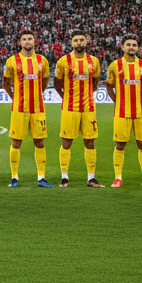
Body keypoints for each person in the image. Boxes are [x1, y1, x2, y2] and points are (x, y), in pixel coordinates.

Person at [105, 34, 142, 188]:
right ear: (122, 47)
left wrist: (140, 98)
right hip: (122, 112)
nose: (131, 47)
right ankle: (118, 178)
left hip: (141, 111)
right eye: (128, 45)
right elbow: (109, 86)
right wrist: (117, 101)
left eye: (134, 45)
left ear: (138, 47)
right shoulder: (115, 65)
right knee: (120, 144)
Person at [54, 30, 103, 188]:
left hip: (88, 108)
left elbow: (95, 82)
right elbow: (57, 83)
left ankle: (91, 178)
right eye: (76, 40)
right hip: (70, 109)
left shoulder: (94, 61)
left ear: (86, 41)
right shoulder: (63, 61)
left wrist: (87, 95)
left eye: (81, 40)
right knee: (66, 142)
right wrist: (66, 97)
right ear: (71, 42)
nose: (79, 43)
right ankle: (64, 178)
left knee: (90, 142)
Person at [3, 30, 53, 188]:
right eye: (24, 39)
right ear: (20, 42)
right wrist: (15, 97)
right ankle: (14, 177)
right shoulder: (12, 60)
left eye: (29, 39)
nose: (27, 42)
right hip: (19, 108)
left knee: (40, 142)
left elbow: (44, 82)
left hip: (38, 108)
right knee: (16, 142)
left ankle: (41, 178)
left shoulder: (42, 60)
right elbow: (6, 84)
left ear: (34, 41)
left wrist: (37, 94)